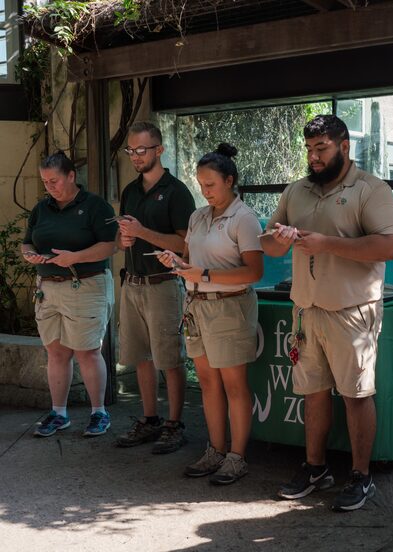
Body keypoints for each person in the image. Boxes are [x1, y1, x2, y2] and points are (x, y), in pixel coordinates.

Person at [261, 114, 393, 511]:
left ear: (344, 146)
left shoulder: (370, 189)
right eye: (309, 149)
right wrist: (278, 237)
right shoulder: (297, 190)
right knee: (313, 392)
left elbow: (390, 245)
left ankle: (361, 476)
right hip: (307, 310)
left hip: (352, 310)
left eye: (321, 148)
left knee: (357, 394)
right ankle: (315, 467)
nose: (314, 157)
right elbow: (269, 247)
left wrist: (328, 244)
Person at [158, 143, 263, 485]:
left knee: (234, 384)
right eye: (201, 185)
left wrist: (203, 275)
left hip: (229, 306)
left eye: (211, 185)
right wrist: (175, 264)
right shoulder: (198, 216)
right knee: (206, 382)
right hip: (196, 307)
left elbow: (253, 273)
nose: (206, 192)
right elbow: (189, 259)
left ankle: (236, 456)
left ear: (230, 180)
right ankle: (215, 449)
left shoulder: (244, 218)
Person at [22, 152, 117, 437]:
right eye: (45, 182)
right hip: (48, 288)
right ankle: (58, 413)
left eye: (54, 180)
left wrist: (75, 257)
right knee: (55, 351)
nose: (49, 187)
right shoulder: (41, 208)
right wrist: (31, 257)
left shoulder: (95, 206)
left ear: (71, 176)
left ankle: (99, 412)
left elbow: (109, 247)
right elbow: (27, 243)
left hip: (85, 285)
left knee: (87, 351)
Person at [114, 122, 196, 454]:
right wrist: (125, 238)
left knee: (169, 358)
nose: (135, 156)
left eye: (141, 150)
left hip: (164, 285)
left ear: (159, 150)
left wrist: (143, 232)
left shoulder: (177, 192)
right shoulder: (130, 191)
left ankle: (174, 425)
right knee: (140, 357)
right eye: (130, 150)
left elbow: (185, 244)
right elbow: (123, 237)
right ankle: (150, 420)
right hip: (132, 283)